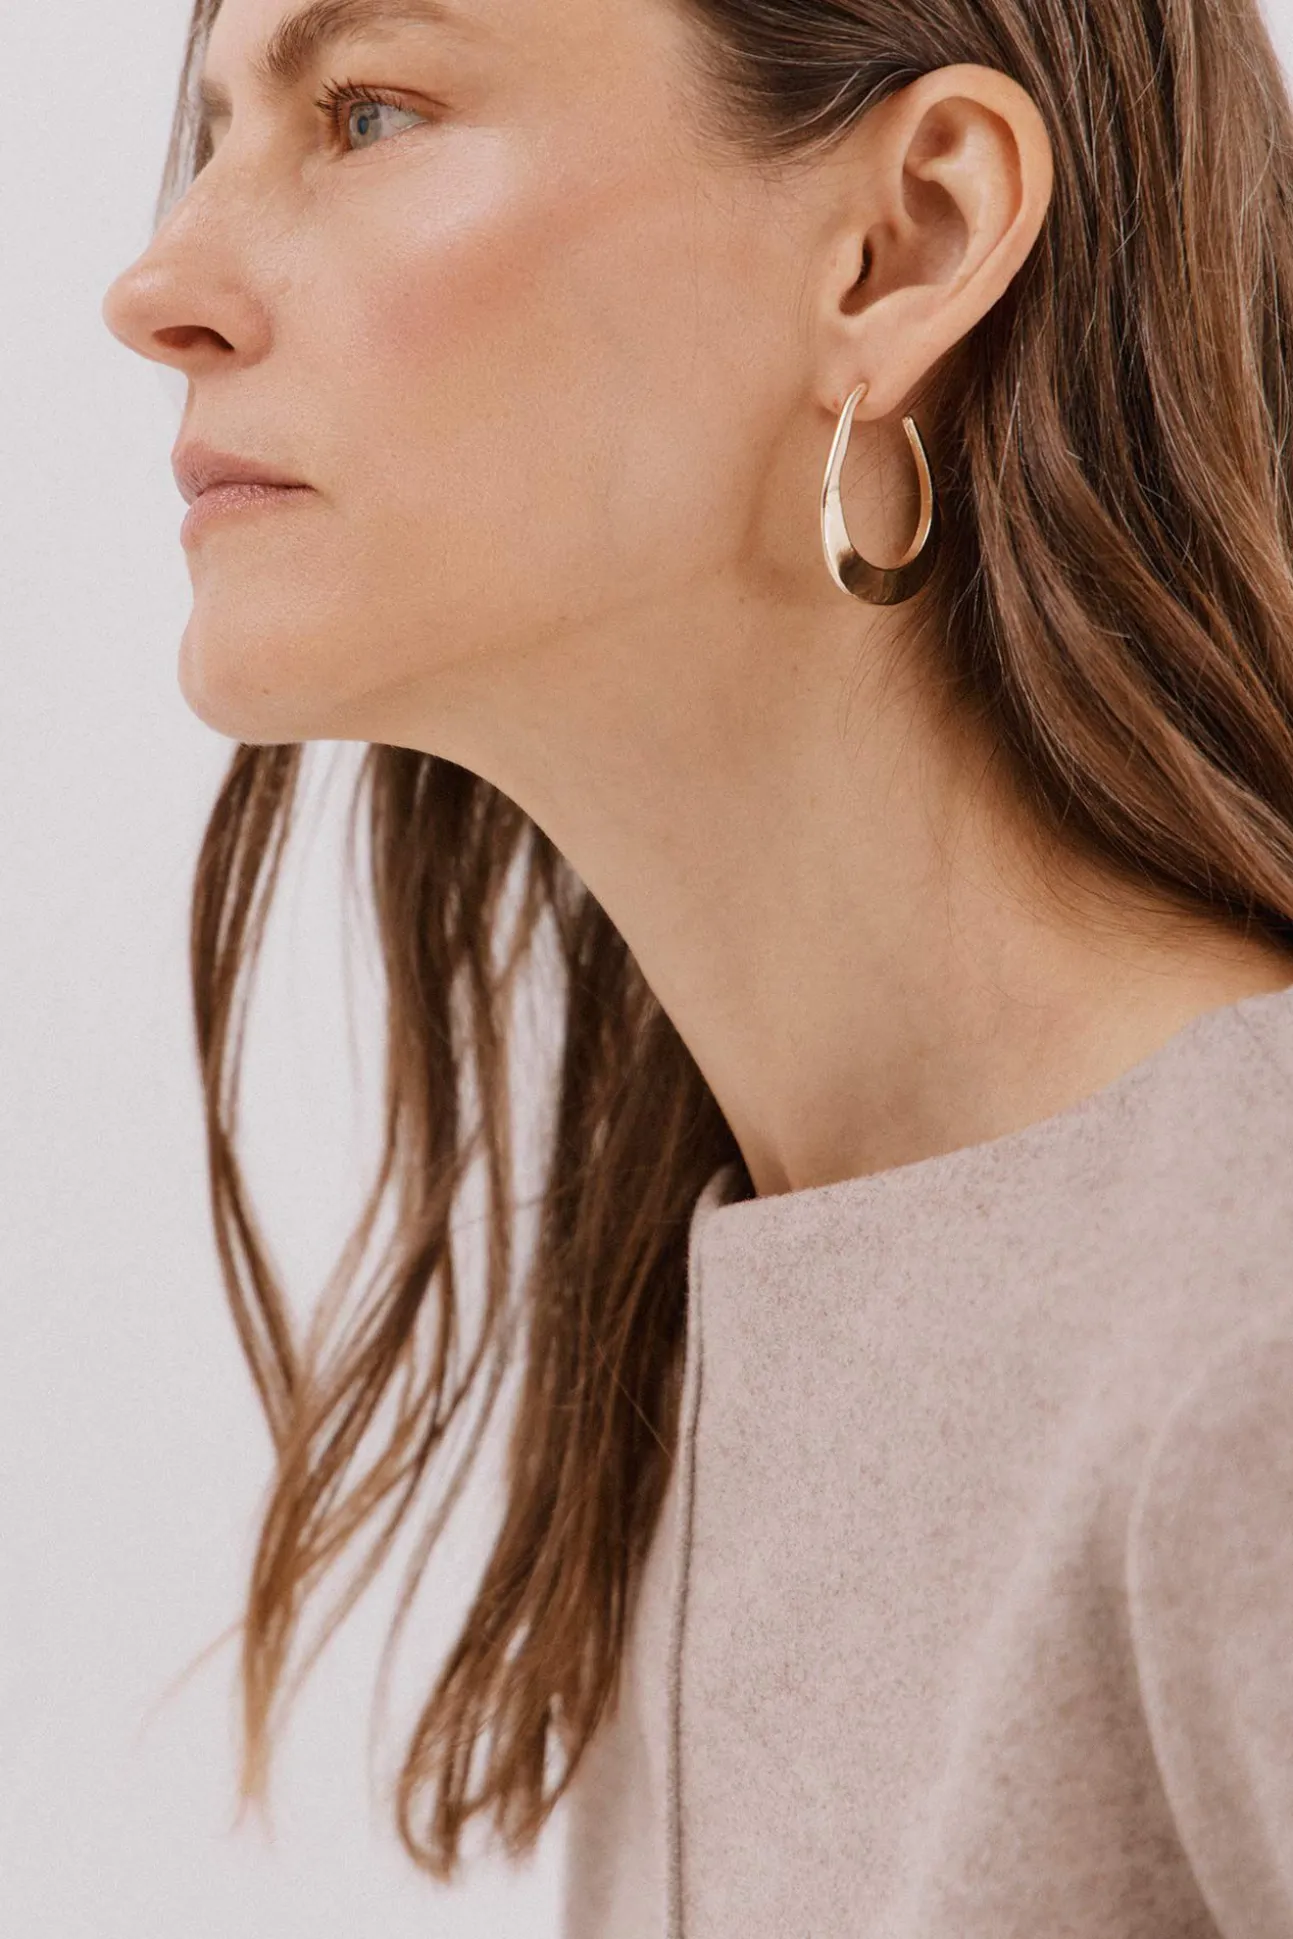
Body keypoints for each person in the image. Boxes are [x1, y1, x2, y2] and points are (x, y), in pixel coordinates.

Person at [100, 0, 1293, 1931]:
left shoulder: (1250, 1316)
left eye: (370, 110)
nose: (157, 287)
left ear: (902, 241)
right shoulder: (752, 1318)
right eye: (211, 134)